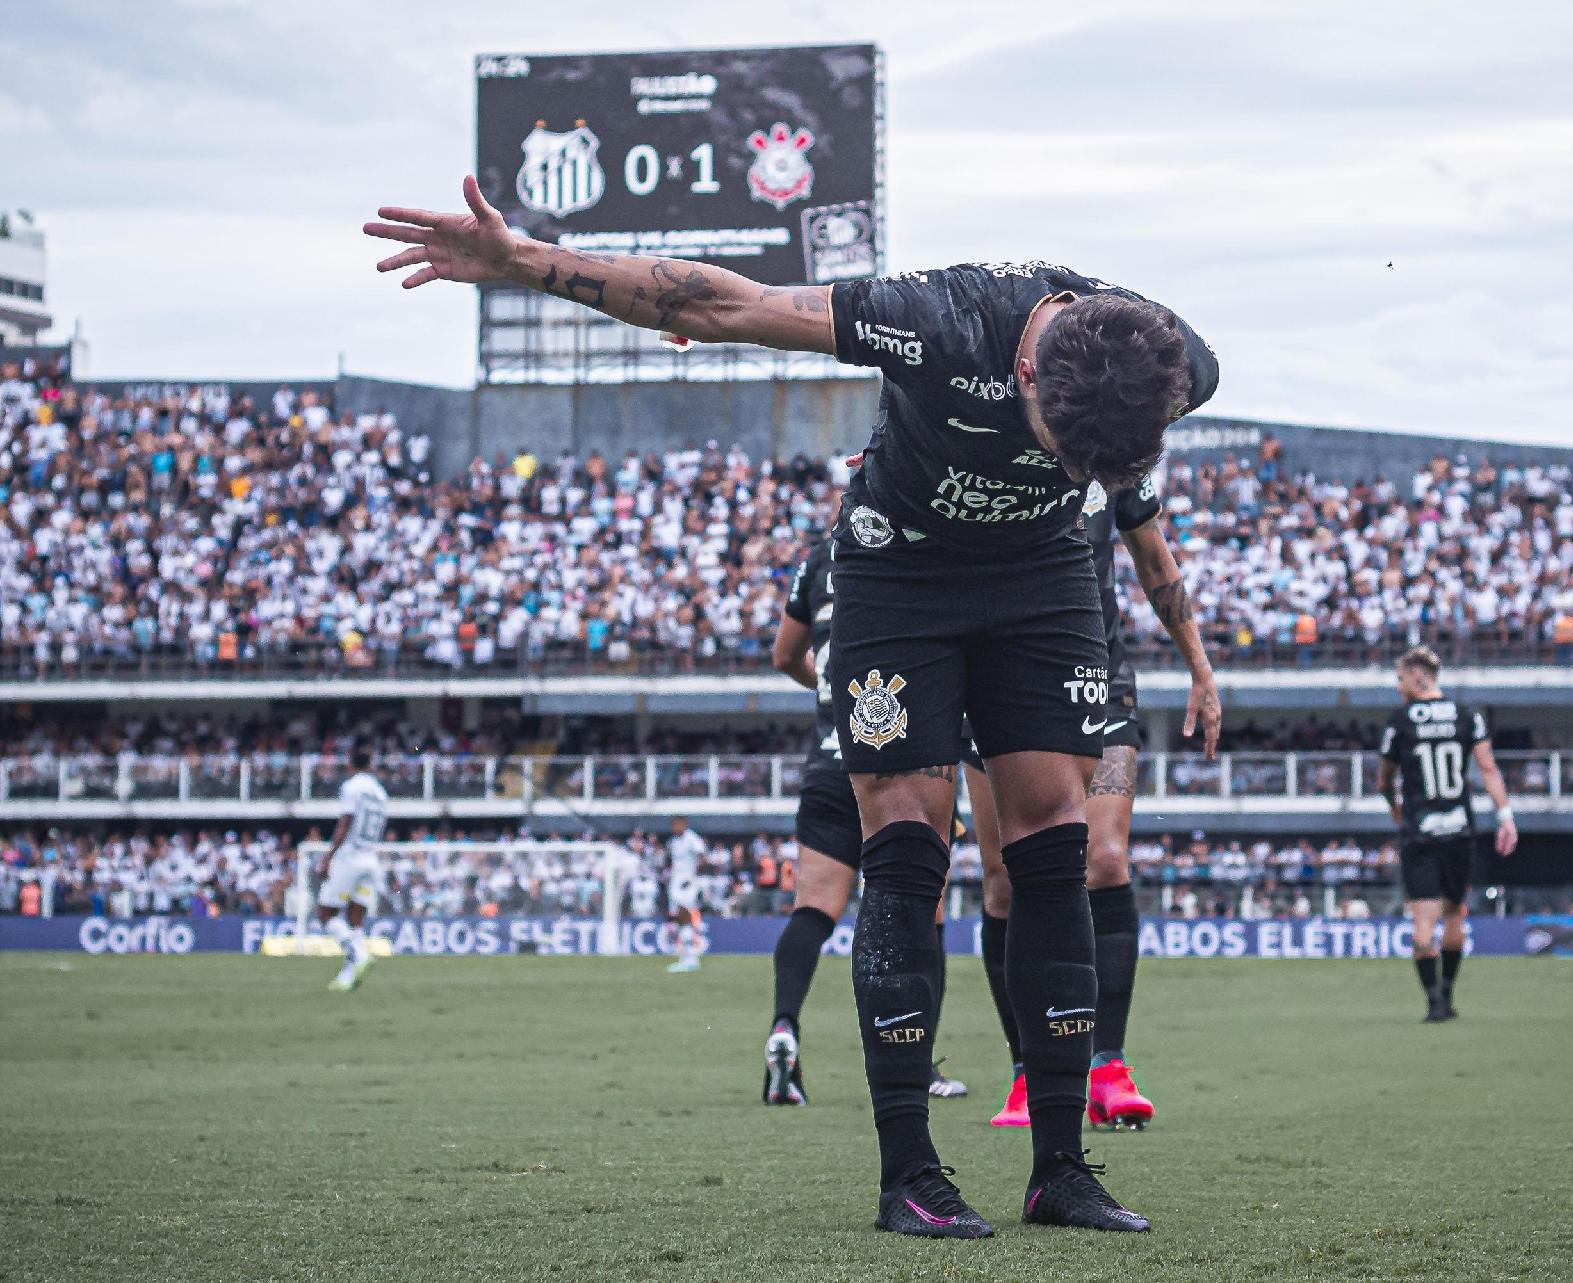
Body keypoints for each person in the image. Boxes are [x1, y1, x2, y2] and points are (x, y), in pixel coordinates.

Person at [365, 181, 1217, 1237]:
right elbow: (723, 302)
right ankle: (910, 1171)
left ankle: (1060, 1168)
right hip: (901, 576)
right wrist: (522, 260)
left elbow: (1131, 501)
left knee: (1052, 843)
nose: (1064, 463)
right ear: (1026, 367)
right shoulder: (940, 317)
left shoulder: (1174, 356)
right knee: (908, 841)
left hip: (1042, 582)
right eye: (1058, 440)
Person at [967, 472, 1220, 1131]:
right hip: (993, 675)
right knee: (1003, 881)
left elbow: (1154, 558)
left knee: (1104, 858)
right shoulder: (983, 431)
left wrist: (1199, 663)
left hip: (1096, 676)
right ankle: (1027, 1070)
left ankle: (1107, 1063)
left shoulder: (1112, 447)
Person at [761, 539, 967, 1106]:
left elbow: (783, 655)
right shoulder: (919, 539)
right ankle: (916, 1061)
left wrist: (833, 696)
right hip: (901, 762)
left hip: (829, 760)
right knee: (921, 911)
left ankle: (784, 1027)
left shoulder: (818, 559)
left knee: (812, 908)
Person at [1377, 646, 1518, 1022]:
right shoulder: (1466, 716)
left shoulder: (1400, 720)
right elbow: (1488, 770)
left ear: (1417, 676)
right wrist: (1505, 816)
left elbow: (1384, 779)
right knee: (1455, 915)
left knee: (1423, 923)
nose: (1398, 686)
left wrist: (1394, 805)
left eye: (1400, 678)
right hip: (1459, 830)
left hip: (1420, 832)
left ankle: (1433, 1001)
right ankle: (1449, 993)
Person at [313, 747, 387, 992]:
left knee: (326, 914)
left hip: (350, 857)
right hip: (371, 859)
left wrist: (328, 857)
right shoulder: (380, 792)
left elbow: (345, 822)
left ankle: (358, 953)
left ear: (350, 765)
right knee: (355, 919)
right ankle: (347, 977)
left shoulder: (352, 786)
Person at [664, 816, 706, 974]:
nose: (675, 827)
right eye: (673, 825)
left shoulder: (692, 838)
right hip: (676, 883)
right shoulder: (673, 842)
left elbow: (702, 857)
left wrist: (693, 877)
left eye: (678, 824)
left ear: (684, 825)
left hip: (687, 883)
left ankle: (691, 959)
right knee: (679, 919)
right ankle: (687, 957)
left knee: (684, 915)